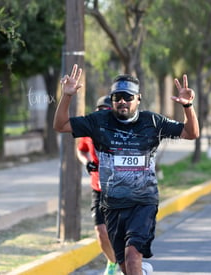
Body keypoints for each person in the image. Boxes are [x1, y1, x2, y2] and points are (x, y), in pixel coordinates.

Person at [54, 64, 199, 275]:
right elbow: (60, 125)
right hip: (112, 206)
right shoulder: (99, 121)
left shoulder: (152, 121)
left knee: (132, 258)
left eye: (128, 97)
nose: (122, 101)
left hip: (143, 203)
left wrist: (188, 106)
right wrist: (66, 96)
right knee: (124, 266)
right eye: (117, 96)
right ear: (112, 99)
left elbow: (191, 132)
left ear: (138, 99)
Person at [76, 95, 119, 275]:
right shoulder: (89, 130)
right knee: (101, 232)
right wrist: (86, 162)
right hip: (98, 188)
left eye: (107, 111)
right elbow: (81, 151)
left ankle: (126, 263)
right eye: (99, 111)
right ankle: (112, 262)